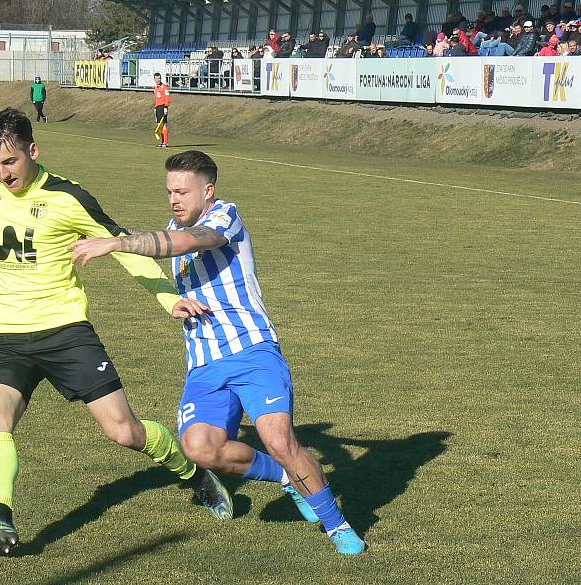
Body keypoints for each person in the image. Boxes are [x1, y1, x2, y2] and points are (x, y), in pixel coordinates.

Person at [0, 110, 233, 554]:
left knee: (125, 433)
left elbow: (123, 246)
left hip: (65, 333)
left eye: (11, 163)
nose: (3, 174)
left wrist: (167, 299)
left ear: (33, 151)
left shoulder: (68, 197)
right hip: (4, 333)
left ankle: (194, 474)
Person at [69, 151, 367, 556]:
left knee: (280, 439)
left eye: (182, 191)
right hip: (204, 364)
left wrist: (118, 242)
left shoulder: (225, 216)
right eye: (170, 191)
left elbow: (194, 240)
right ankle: (285, 477)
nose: (174, 198)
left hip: (252, 351)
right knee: (199, 448)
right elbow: (169, 246)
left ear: (208, 191)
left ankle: (337, 524)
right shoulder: (173, 227)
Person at [153, 72, 170, 148]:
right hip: (158, 107)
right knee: (159, 125)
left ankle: (165, 143)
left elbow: (167, 98)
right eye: (156, 78)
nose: (158, 80)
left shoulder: (165, 87)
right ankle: (162, 142)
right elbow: (157, 99)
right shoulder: (156, 88)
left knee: (163, 125)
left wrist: (166, 107)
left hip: (163, 107)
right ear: (154, 79)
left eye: (159, 78)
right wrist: (155, 107)